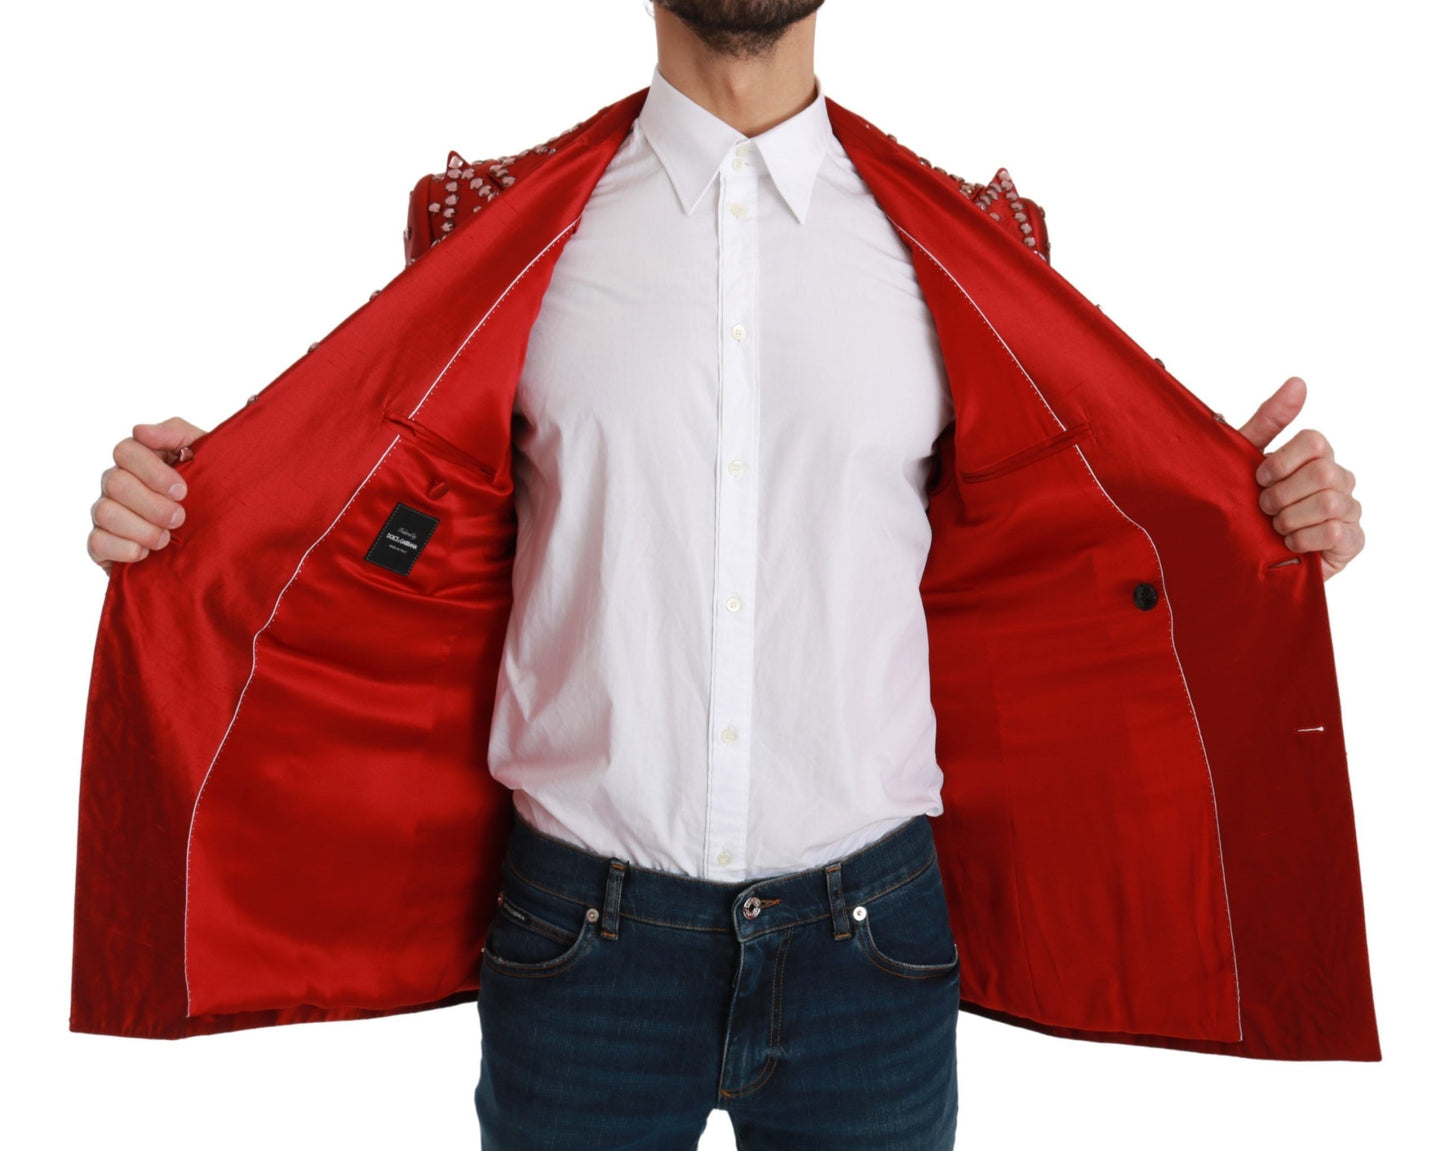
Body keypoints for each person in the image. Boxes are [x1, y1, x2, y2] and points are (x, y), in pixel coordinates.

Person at [79, 2, 1368, 1147]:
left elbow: (1063, 544)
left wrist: (1238, 523)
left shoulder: (972, 248)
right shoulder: (505, 232)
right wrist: (201, 511)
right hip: (578, 947)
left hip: (875, 950)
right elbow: (378, 515)